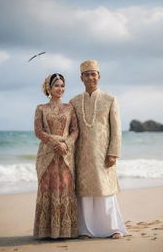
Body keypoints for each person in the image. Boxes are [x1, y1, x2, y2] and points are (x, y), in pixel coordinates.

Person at [70, 60, 127, 239]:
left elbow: (116, 128)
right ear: (81, 78)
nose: (90, 77)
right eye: (86, 74)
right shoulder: (74, 101)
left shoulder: (110, 99)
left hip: (104, 154)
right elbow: (71, 129)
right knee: (85, 193)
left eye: (93, 74)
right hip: (82, 155)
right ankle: (85, 230)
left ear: (99, 76)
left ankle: (113, 229)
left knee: (105, 190)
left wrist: (113, 152)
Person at [33, 73, 78, 239]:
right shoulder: (41, 108)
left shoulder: (69, 108)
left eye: (62, 85)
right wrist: (54, 143)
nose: (60, 89)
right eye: (57, 85)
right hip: (47, 155)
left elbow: (75, 130)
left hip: (65, 154)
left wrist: (65, 144)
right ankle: (46, 232)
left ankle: (67, 231)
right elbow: (38, 131)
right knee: (48, 188)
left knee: (65, 188)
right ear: (49, 88)